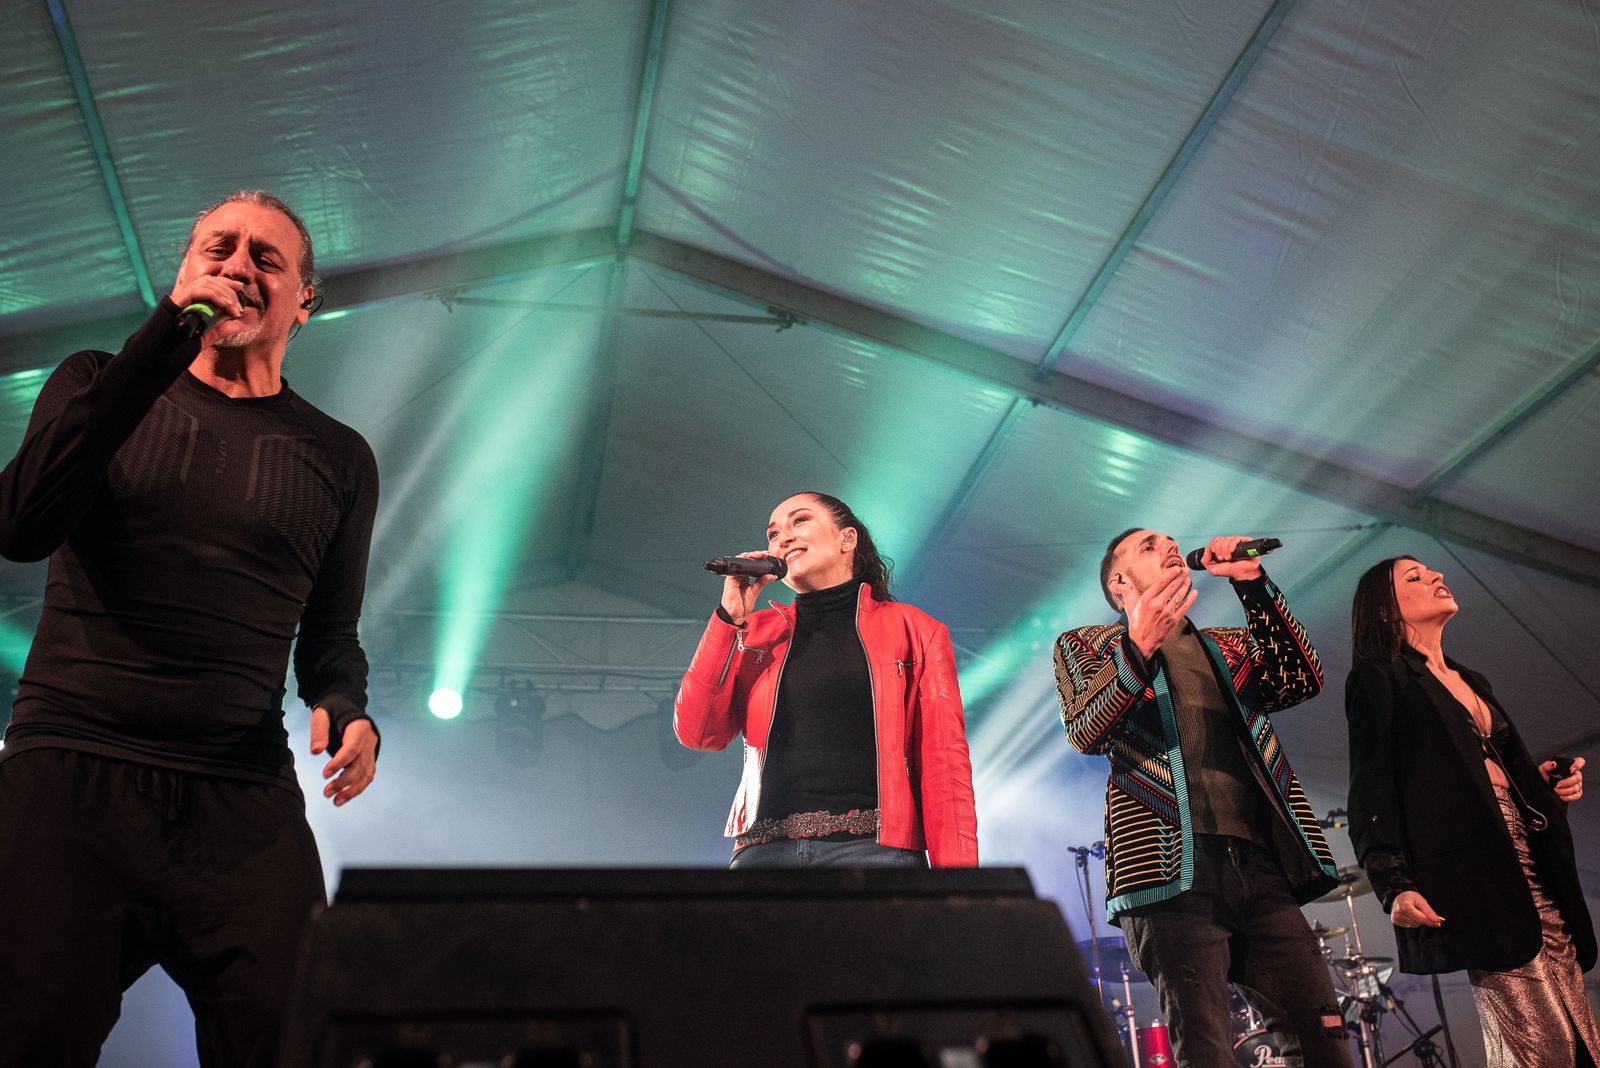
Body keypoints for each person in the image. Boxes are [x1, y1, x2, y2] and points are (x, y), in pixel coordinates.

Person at [0, 190, 381, 1067]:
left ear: (304, 301)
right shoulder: (96, 383)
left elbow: (330, 631)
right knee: (28, 1036)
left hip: (238, 794)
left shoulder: (337, 456)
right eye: (218, 248)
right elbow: (20, 526)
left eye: (266, 258)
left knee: (299, 1038)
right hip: (72, 778)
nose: (238, 265)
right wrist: (162, 341)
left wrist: (344, 702)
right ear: (183, 276)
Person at [1054, 528, 1350, 1067]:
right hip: (1169, 874)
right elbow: (1085, 729)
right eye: (1149, 545)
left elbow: (1301, 679)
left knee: (1324, 1042)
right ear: (1119, 583)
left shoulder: (1227, 645)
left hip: (1260, 866)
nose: (1169, 547)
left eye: (1171, 541)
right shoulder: (1086, 645)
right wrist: (1137, 646)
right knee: (1205, 1050)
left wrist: (1252, 582)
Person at [1345, 555, 1597, 1067]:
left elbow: (1488, 772)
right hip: (1476, 876)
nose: (1436, 576)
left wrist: (1543, 785)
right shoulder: (1379, 679)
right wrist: (1393, 883)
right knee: (1543, 1045)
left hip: (1530, 858)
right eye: (1414, 578)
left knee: (1578, 1034)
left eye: (1432, 571)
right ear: (1387, 612)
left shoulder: (1470, 679)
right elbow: (1370, 791)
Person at [674, 492, 978, 868]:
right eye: (772, 533)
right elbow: (698, 732)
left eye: (799, 521)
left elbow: (945, 765)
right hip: (763, 855)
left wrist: (958, 884)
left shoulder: (913, 629)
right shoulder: (754, 631)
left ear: (846, 539)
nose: (781, 537)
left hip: (873, 852)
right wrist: (728, 619)